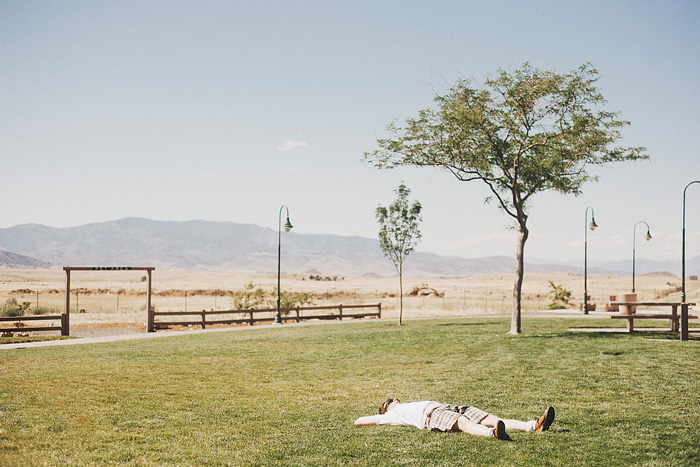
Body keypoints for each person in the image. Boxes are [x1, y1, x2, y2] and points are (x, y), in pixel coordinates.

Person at [354, 398, 555, 441]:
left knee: (492, 417)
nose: (396, 399)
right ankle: (492, 433)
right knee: (466, 424)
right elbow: (358, 421)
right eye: (391, 400)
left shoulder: (403, 405)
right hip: (432, 416)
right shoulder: (390, 416)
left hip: (445, 406)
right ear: (386, 408)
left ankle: (533, 425)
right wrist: (380, 416)